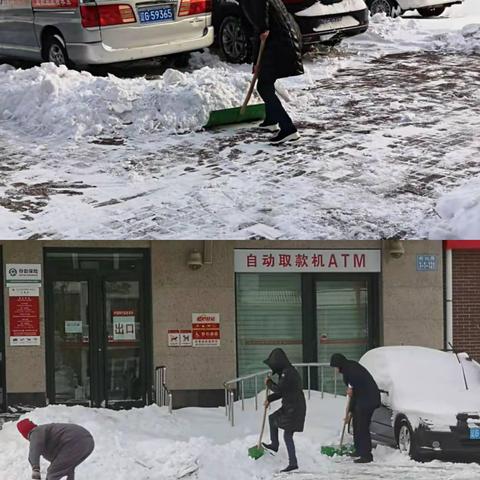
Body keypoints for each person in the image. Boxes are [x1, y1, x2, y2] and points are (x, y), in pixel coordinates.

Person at [240, 0, 304, 144]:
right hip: (283, 41)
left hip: (276, 46)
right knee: (267, 83)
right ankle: (271, 120)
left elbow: (261, 29)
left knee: (263, 87)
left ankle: (288, 129)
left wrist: (257, 61)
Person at [330, 353, 380, 464]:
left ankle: (366, 455)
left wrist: (351, 408)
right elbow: (354, 393)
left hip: (368, 400)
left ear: (339, 365)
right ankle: (359, 450)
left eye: (335, 367)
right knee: (357, 425)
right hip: (362, 399)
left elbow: (355, 392)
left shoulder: (352, 371)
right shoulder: (348, 368)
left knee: (362, 427)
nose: (335, 370)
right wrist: (351, 413)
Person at [262, 348, 306, 472]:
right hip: (290, 406)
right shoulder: (286, 372)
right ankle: (274, 445)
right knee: (272, 418)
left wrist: (269, 383)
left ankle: (293, 463)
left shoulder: (288, 373)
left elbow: (279, 389)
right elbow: (283, 391)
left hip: (294, 408)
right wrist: (269, 399)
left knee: (288, 435)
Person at [17, 419, 95, 480]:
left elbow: (34, 449)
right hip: (88, 443)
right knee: (67, 467)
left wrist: (35, 468)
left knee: (53, 472)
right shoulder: (45, 433)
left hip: (76, 440)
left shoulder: (35, 432)